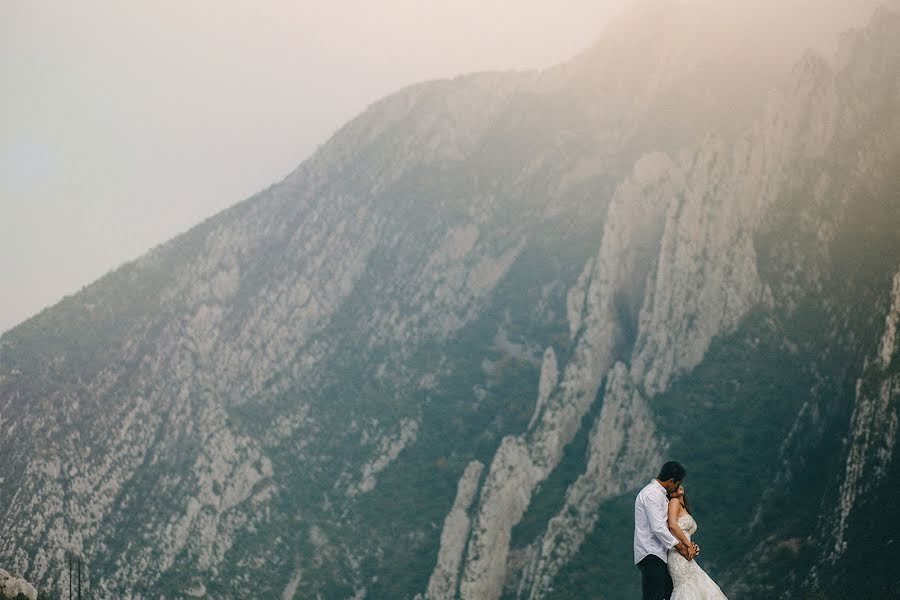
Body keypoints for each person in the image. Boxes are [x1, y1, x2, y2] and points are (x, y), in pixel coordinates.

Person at [634, 461, 696, 600]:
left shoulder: (660, 495)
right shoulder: (651, 494)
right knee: (654, 596)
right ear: (671, 481)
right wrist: (680, 546)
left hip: (660, 553)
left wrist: (688, 544)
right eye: (678, 484)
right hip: (651, 552)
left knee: (666, 594)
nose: (678, 487)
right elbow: (658, 528)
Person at [666, 485, 728, 599]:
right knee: (687, 587)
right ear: (669, 493)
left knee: (698, 586)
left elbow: (684, 533)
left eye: (679, 483)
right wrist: (689, 546)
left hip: (687, 553)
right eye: (673, 485)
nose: (678, 486)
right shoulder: (674, 502)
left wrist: (693, 546)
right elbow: (673, 526)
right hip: (678, 555)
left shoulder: (684, 507)